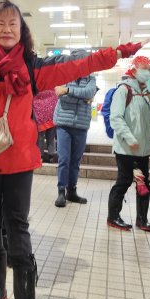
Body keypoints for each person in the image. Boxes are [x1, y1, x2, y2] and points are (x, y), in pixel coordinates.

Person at [0, 0, 144, 299]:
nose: (7, 29)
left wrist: (117, 53)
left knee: (18, 228)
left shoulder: (32, 67)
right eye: (1, 23)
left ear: (22, 30)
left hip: (20, 162)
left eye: (14, 23)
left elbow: (78, 65)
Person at [107, 56, 150, 232]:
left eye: (149, 69)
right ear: (134, 69)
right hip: (125, 148)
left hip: (143, 148)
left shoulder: (146, 92)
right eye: (144, 68)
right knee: (124, 181)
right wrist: (130, 139)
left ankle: (142, 219)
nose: (147, 72)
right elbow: (116, 118)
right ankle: (113, 217)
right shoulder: (124, 90)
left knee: (144, 184)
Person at [53, 58, 97, 207]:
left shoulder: (91, 78)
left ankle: (72, 191)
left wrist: (69, 91)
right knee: (64, 159)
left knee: (75, 161)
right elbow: (61, 96)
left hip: (81, 125)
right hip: (63, 124)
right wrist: (83, 98)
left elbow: (89, 92)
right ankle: (61, 192)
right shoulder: (64, 75)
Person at [33, 90, 58, 163]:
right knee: (51, 136)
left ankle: (40, 156)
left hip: (39, 110)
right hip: (51, 109)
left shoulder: (37, 80)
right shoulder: (52, 81)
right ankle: (51, 155)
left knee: (40, 136)